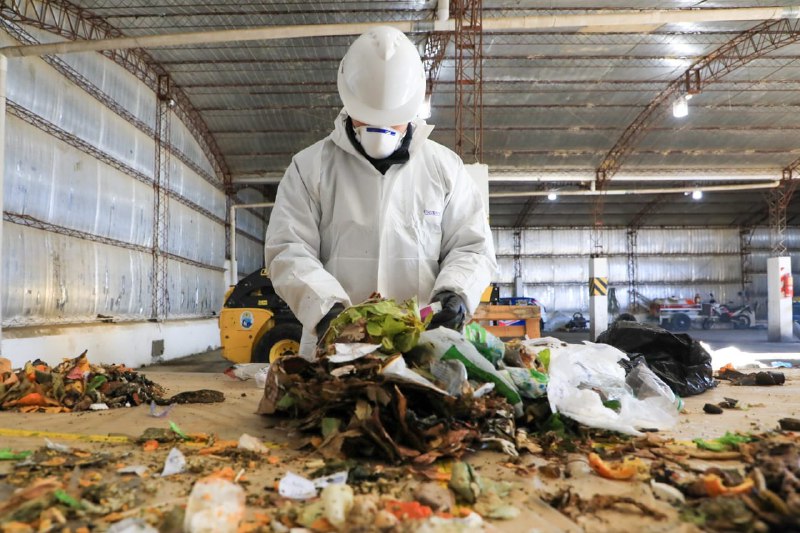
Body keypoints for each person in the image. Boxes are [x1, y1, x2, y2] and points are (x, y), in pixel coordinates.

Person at [264, 26, 497, 358]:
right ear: (349, 100)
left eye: (394, 120)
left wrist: (455, 293)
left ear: (413, 108)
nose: (379, 132)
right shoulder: (310, 167)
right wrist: (328, 311)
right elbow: (288, 250)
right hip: (335, 348)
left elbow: (472, 246)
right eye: (367, 118)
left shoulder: (446, 169)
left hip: (421, 347)